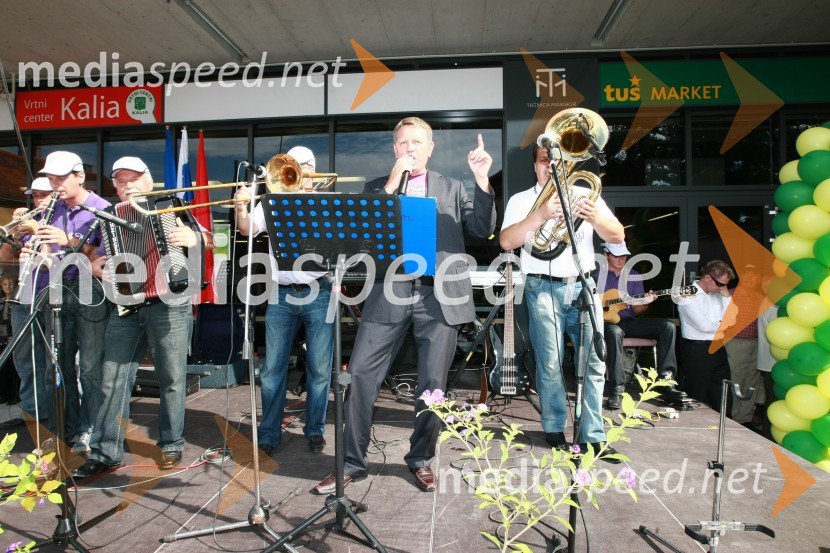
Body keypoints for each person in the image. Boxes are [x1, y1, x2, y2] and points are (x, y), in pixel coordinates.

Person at [314, 116, 496, 494]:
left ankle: (421, 459)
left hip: (438, 295)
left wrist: (481, 180)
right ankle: (350, 462)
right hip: (389, 292)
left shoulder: (453, 187)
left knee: (433, 384)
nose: (409, 148)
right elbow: (361, 238)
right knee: (361, 374)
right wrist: (392, 186)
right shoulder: (376, 188)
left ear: (430, 148)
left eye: (417, 142)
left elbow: (482, 227)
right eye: (402, 143)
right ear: (394, 149)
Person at [72, 156, 211, 478]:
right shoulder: (108, 216)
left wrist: (193, 239)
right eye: (121, 181)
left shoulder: (170, 205)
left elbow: (208, 238)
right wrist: (93, 266)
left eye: (134, 178)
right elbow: (89, 253)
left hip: (170, 302)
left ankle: (171, 443)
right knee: (113, 377)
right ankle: (108, 452)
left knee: (172, 378)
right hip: (126, 304)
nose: (128, 185)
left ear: (149, 181)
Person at [499, 143, 624, 459]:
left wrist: (595, 217)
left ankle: (593, 435)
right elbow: (507, 241)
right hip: (541, 286)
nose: (551, 167)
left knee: (593, 362)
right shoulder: (522, 200)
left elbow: (617, 235)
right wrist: (540, 215)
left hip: (583, 284)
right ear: (535, 166)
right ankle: (554, 428)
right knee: (551, 362)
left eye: (557, 162)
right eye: (544, 161)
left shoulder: (584, 193)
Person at [234, 146, 333, 457]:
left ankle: (315, 429)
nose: (300, 172)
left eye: (305, 166)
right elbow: (248, 229)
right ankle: (269, 432)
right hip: (280, 292)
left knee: (319, 368)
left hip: (319, 290)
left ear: (315, 172)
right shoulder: (272, 203)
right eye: (294, 166)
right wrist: (241, 206)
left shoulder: (326, 204)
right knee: (272, 369)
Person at [17, 153, 111, 453]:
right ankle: (62, 431)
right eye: (52, 179)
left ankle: (91, 431)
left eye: (61, 178)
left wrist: (69, 241)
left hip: (89, 290)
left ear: (80, 176)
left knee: (90, 368)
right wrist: (33, 245)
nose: (55, 184)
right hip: (52, 289)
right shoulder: (49, 209)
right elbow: (44, 251)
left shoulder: (102, 208)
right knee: (56, 366)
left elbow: (107, 257)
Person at [597, 241, 679, 410]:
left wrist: (645, 302)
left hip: (629, 322)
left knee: (667, 326)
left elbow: (638, 310)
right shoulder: (595, 276)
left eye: (624, 256)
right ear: (606, 255)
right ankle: (617, 389)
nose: (621, 259)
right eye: (617, 255)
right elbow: (589, 302)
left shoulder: (634, 275)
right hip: (605, 323)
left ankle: (666, 381)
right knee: (614, 332)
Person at [0, 178, 54, 430]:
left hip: (55, 297)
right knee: (25, 358)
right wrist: (11, 233)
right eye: (35, 195)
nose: (39, 200)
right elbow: (6, 258)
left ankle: (61, 413)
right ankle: (32, 410)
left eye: (45, 195)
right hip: (24, 296)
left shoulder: (60, 219)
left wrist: (36, 230)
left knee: (55, 358)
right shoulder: (26, 224)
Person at [676, 259, 735, 411]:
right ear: (708, 277)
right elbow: (704, 326)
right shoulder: (686, 294)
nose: (722, 288)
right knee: (696, 396)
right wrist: (724, 326)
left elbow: (733, 318)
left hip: (718, 347)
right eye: (720, 284)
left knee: (723, 397)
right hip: (697, 350)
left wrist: (726, 294)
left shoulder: (720, 294)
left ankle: (724, 428)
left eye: (725, 285)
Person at [0, 273, 20, 406]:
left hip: (13, 338)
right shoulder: (1, 301)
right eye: (5, 284)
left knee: (14, 368)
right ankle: (5, 394)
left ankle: (15, 395)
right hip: (1, 338)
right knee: (3, 368)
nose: (8, 287)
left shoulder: (17, 301)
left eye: (11, 284)